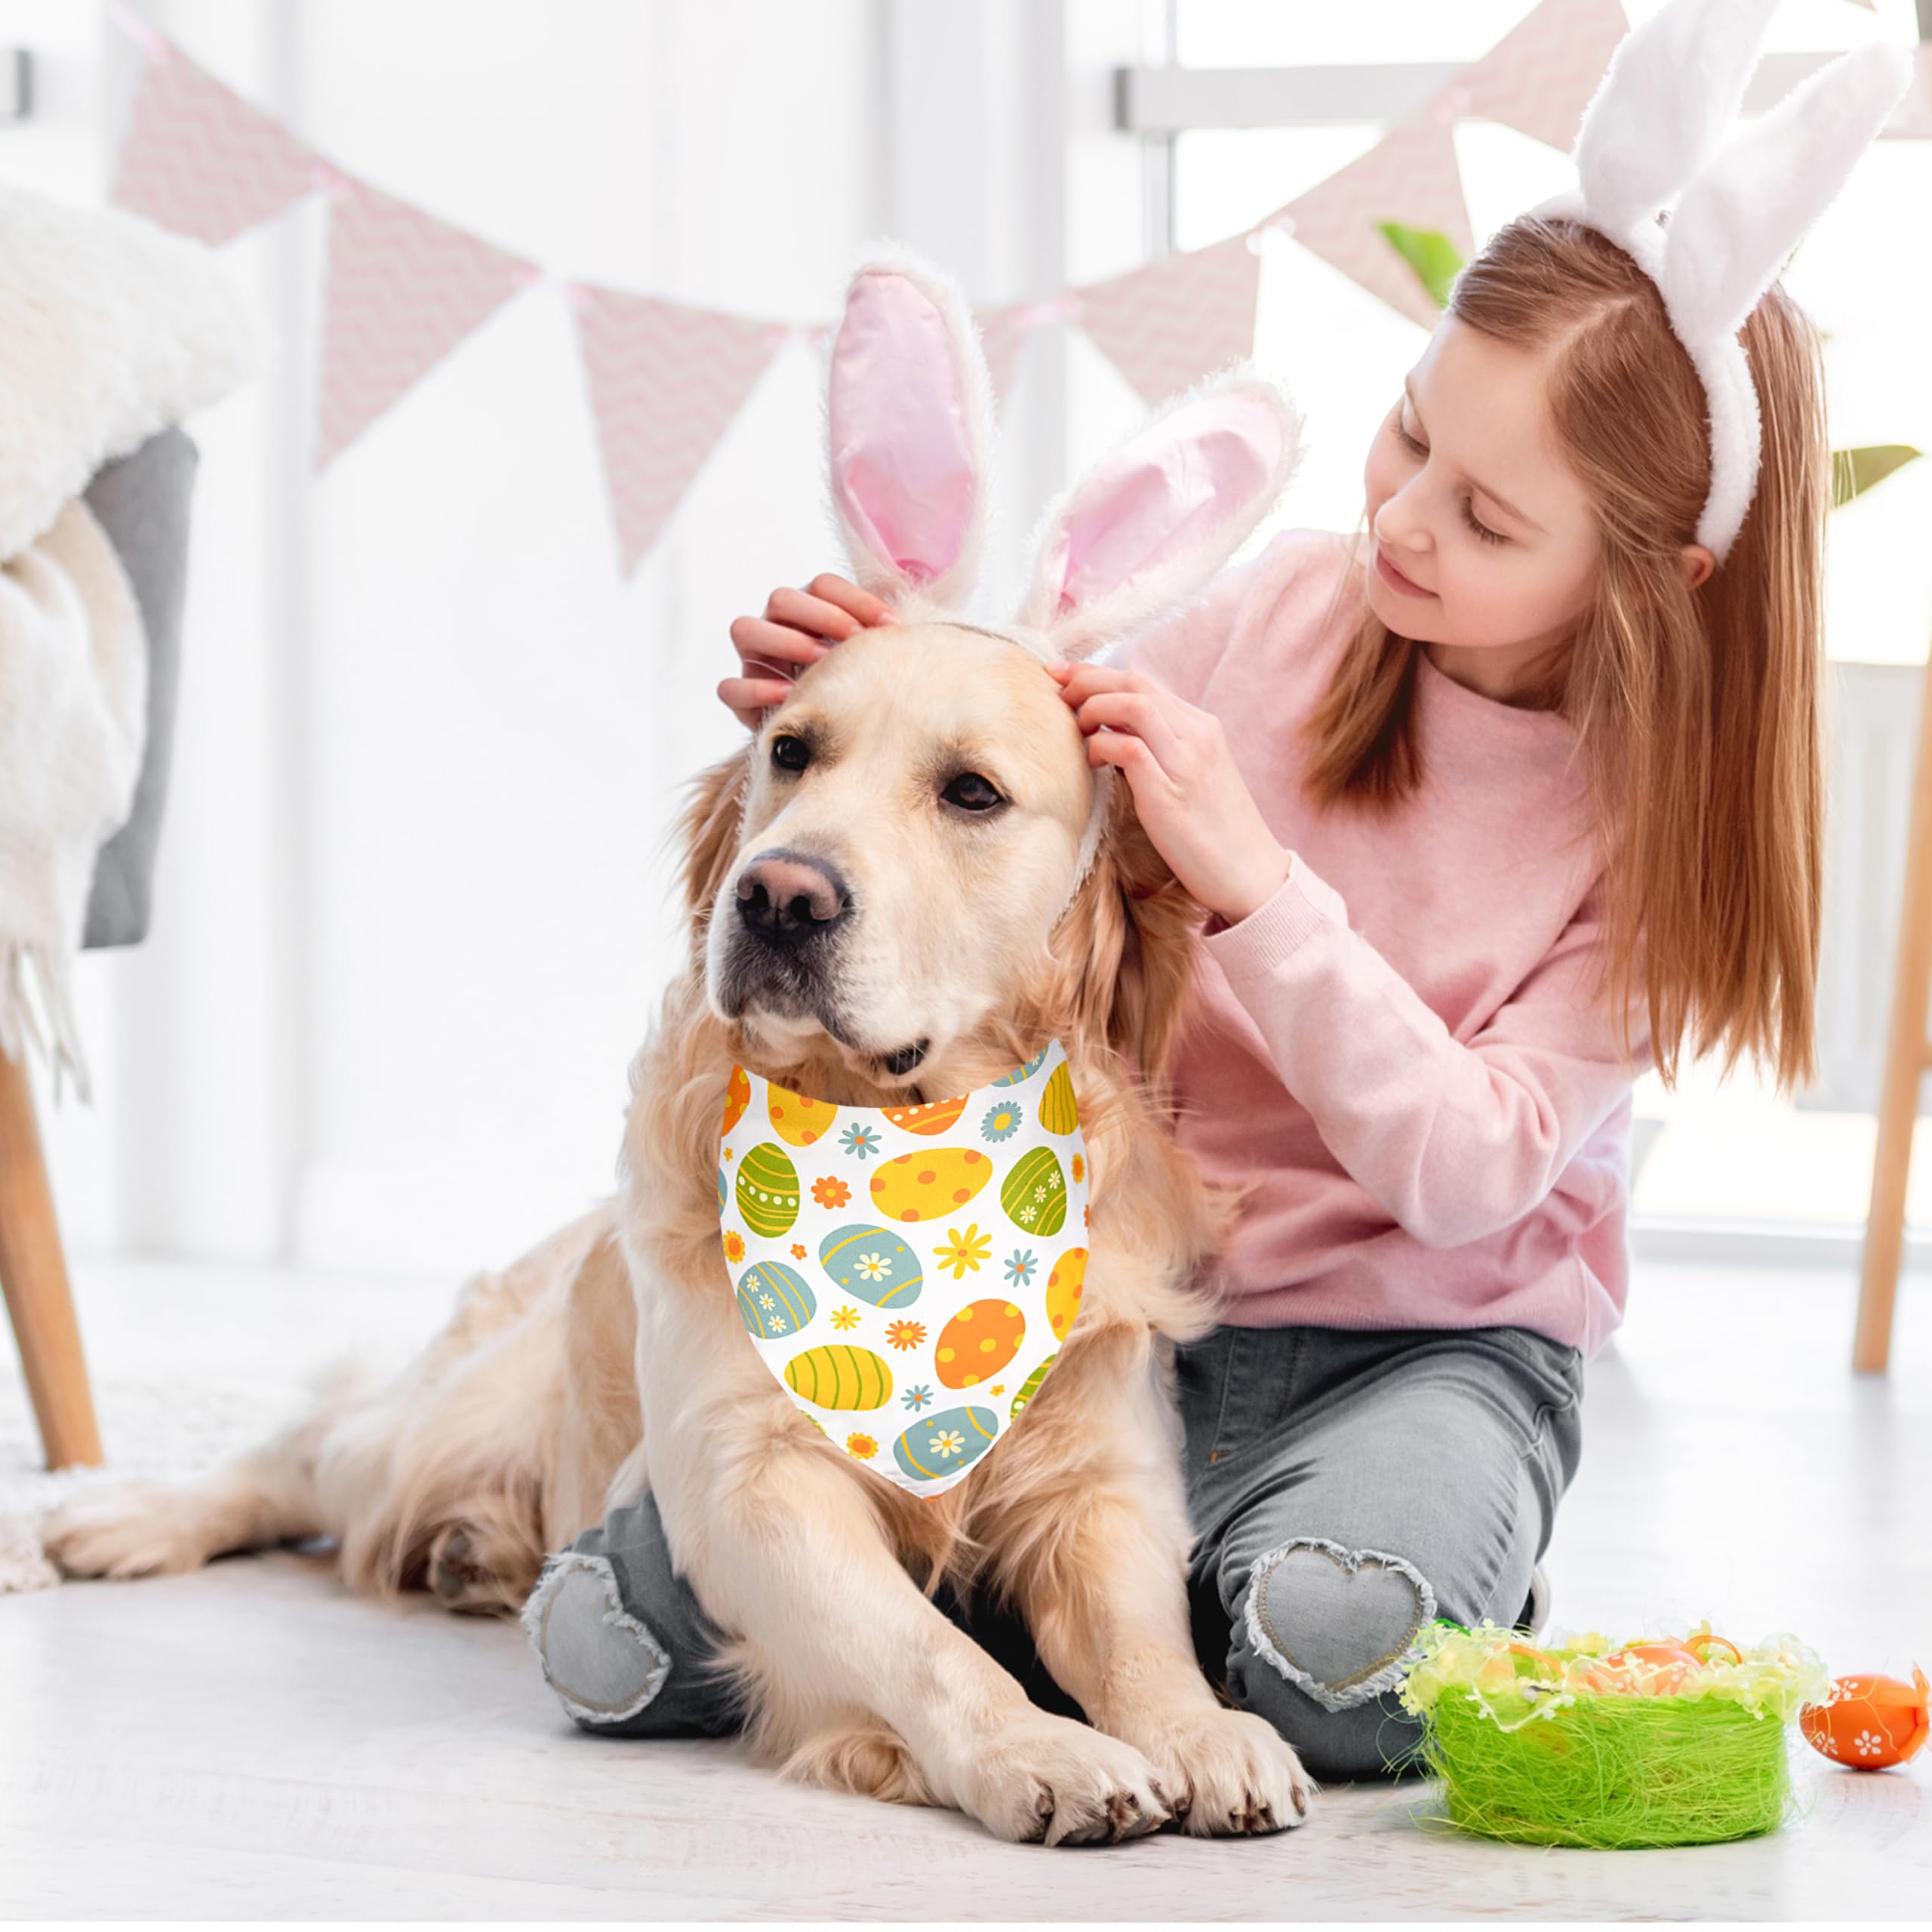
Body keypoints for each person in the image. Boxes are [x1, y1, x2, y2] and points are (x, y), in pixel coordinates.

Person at [524, 200, 1833, 1784]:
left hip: (1416, 1349)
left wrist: (1259, 889)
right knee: (614, 1637)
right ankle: (1063, 1611)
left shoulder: (1657, 845)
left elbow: (1466, 1170)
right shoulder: (1271, 610)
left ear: (1655, 574)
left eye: (1485, 518)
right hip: (1105, 1314)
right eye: (1405, 433)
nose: (1404, 521)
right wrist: (846, 685)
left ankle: (1349, 1569)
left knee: (1332, 1677)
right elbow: (1011, 734)